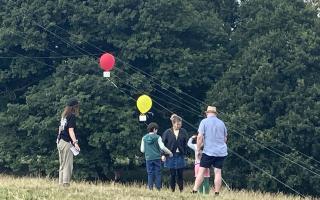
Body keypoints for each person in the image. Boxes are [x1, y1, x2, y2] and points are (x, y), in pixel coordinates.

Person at [192, 106, 228, 196]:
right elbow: (225, 138)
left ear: (207, 113)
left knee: (201, 170)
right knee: (218, 171)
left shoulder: (204, 122)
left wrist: (198, 149)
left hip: (209, 151)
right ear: (215, 114)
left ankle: (194, 190)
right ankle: (216, 193)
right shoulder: (221, 123)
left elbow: (200, 137)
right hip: (221, 152)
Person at [140, 122, 173, 190]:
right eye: (156, 130)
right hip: (157, 158)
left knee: (150, 173)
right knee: (158, 173)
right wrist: (170, 152)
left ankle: (150, 188)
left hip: (148, 158)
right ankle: (158, 188)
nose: (157, 131)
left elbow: (142, 150)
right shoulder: (158, 137)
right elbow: (162, 147)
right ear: (154, 129)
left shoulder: (144, 138)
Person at [56, 98, 80, 187]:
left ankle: (60, 183)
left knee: (62, 164)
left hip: (60, 141)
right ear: (75, 107)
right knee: (68, 164)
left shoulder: (64, 116)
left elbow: (60, 129)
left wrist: (58, 140)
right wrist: (75, 142)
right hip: (67, 142)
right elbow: (71, 130)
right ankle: (65, 184)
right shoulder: (72, 116)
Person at [162, 114, 188, 192]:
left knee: (180, 174)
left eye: (180, 124)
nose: (179, 125)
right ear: (173, 123)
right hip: (170, 155)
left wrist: (186, 153)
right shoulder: (167, 132)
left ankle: (181, 190)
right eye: (178, 124)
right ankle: (172, 190)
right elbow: (163, 144)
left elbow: (185, 143)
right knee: (172, 174)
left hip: (180, 155)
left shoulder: (183, 131)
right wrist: (163, 154)